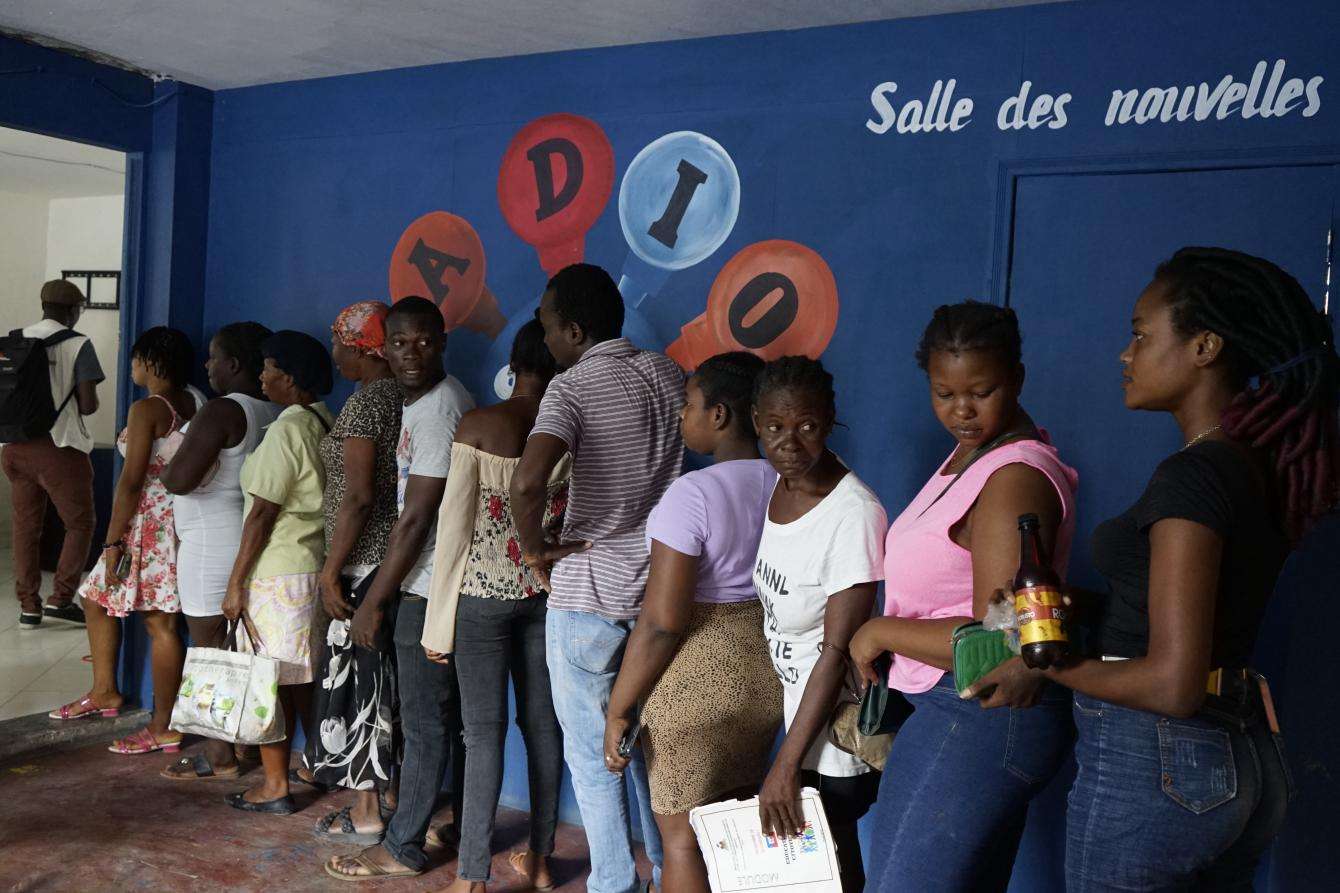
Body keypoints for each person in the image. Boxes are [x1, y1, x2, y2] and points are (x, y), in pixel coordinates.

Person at [1035, 248, 1337, 890]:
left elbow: (1173, 683)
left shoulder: (1195, 476)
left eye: (1142, 334)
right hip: (1239, 756)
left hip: (1158, 758)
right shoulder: (1250, 468)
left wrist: (1054, 666)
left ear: (1204, 346)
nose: (1126, 354)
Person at [849, 302, 1079, 892]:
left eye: (982, 391)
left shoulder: (1013, 478)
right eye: (944, 393)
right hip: (959, 709)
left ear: (1018, 379)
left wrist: (879, 632)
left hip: (978, 710)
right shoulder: (969, 457)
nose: (962, 411)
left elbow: (1002, 641)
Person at [511, 263, 684, 893]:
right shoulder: (668, 374)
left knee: (592, 756)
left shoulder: (571, 387)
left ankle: (614, 882)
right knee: (640, 743)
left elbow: (527, 481)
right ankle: (668, 871)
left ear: (575, 331)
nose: (547, 339)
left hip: (588, 593)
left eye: (549, 326)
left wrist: (535, 550)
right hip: (659, 589)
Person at [604, 352, 783, 893]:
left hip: (696, 680)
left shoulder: (693, 494)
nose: (683, 418)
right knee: (733, 831)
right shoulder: (788, 482)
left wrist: (619, 707)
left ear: (721, 415)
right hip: (767, 671)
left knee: (684, 842)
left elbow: (662, 620)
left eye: (688, 406)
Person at [327, 296, 474, 881]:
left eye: (423, 342)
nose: (411, 354)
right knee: (442, 718)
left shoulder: (439, 408)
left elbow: (415, 518)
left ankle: (403, 846)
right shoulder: (422, 403)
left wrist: (377, 599)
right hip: (425, 582)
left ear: (442, 341)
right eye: (399, 343)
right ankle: (455, 824)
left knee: (425, 719)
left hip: (426, 585)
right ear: (382, 348)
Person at [421, 319, 570, 893]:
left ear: (515, 365)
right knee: (543, 727)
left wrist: (438, 626)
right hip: (546, 597)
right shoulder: (571, 432)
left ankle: (473, 878)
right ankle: (540, 861)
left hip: (480, 599)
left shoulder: (481, 424)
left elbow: (453, 529)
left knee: (482, 735)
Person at [749, 356, 887, 893]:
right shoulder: (783, 487)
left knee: (831, 869)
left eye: (806, 427)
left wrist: (786, 764)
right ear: (756, 421)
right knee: (815, 870)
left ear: (829, 420)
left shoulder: (853, 513)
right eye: (775, 427)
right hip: (798, 719)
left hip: (830, 732)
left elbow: (835, 651)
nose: (789, 442)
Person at [49, 327, 198, 758]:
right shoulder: (193, 401)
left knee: (160, 623)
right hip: (176, 517)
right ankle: (105, 691)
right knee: (95, 597)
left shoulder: (147, 408)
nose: (131, 367)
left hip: (145, 522)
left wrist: (112, 541)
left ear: (151, 362)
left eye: (135, 360)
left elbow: (131, 481)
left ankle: (163, 725)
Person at [159, 321, 280, 781]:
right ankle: (244, 746)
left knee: (208, 647)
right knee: (239, 647)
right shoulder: (271, 408)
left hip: (210, 541)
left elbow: (178, 479)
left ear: (233, 364)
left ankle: (220, 754)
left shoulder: (223, 410)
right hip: (243, 533)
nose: (207, 365)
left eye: (213, 357)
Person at [221, 330, 335, 814]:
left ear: (287, 379)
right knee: (302, 678)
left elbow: (262, 514)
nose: (261, 376)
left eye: (267, 368)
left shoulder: (287, 431)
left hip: (276, 573)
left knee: (266, 679)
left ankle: (274, 785)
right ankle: (317, 763)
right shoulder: (323, 421)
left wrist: (235, 582)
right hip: (311, 569)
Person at [306, 301, 404, 844]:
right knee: (385, 682)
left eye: (339, 342)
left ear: (359, 347)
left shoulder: (367, 405)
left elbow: (359, 497)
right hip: (392, 563)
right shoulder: (406, 398)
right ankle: (387, 798)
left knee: (360, 689)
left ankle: (367, 811)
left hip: (362, 563)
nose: (334, 353)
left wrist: (330, 570)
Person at [3, 279, 103, 628]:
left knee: (26, 528)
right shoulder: (78, 344)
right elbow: (88, 406)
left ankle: (28, 606)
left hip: (13, 447)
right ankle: (61, 598)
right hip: (60, 448)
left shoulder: (14, 339)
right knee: (80, 523)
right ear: (74, 311)